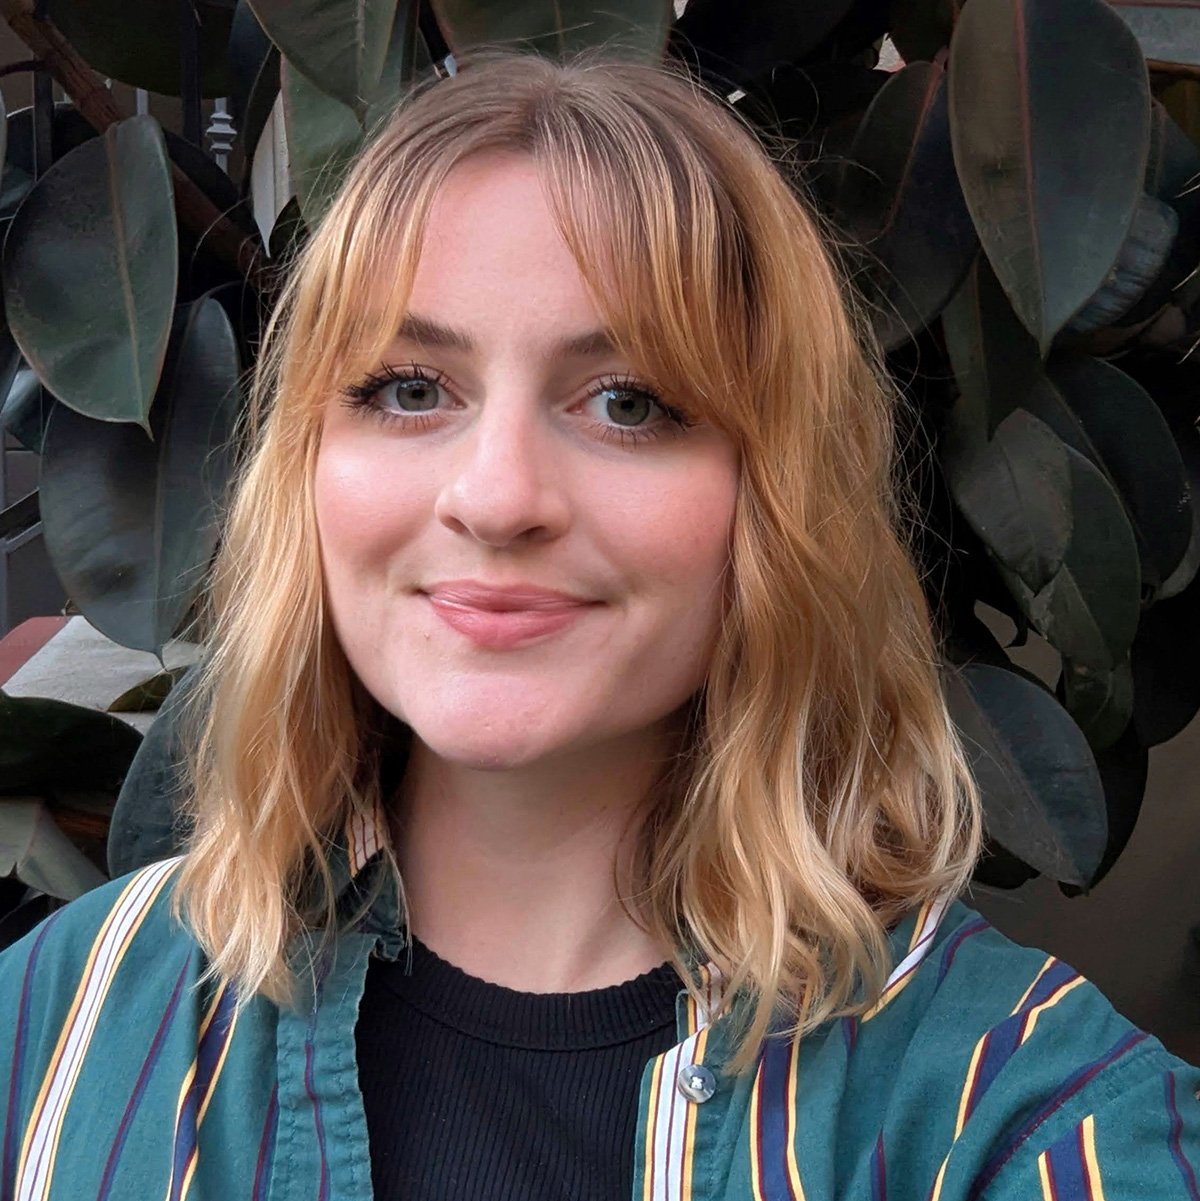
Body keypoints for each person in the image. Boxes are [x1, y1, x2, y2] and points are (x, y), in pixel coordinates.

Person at [2, 46, 1198, 1201]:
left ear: (779, 499)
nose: (496, 496)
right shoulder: (59, 1018)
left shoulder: (1030, 1116)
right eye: (409, 390)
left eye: (628, 403)